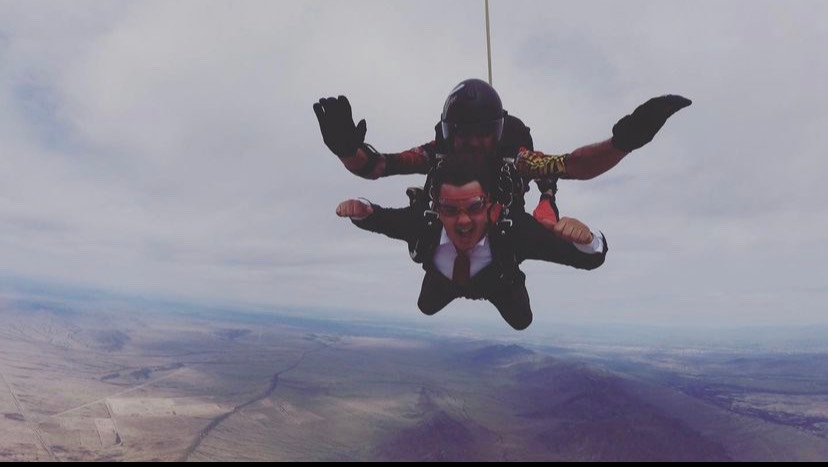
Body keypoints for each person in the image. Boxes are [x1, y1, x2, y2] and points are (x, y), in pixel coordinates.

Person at [314, 78, 691, 228]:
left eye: (482, 136)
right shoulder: (438, 154)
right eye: (463, 136)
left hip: (501, 225)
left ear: (496, 133)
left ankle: (544, 205)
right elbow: (380, 166)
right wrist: (348, 151)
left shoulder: (517, 158)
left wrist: (623, 143)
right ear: (450, 134)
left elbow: (570, 166)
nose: (472, 145)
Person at [335, 153, 607, 330]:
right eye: (451, 210)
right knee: (425, 306)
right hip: (446, 281)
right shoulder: (425, 224)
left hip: (499, 282)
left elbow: (586, 257)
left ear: (492, 206)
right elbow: (382, 219)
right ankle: (424, 200)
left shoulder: (512, 231)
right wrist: (363, 210)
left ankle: (547, 193)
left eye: (474, 207)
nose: (463, 221)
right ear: (438, 209)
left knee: (522, 320)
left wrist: (587, 240)